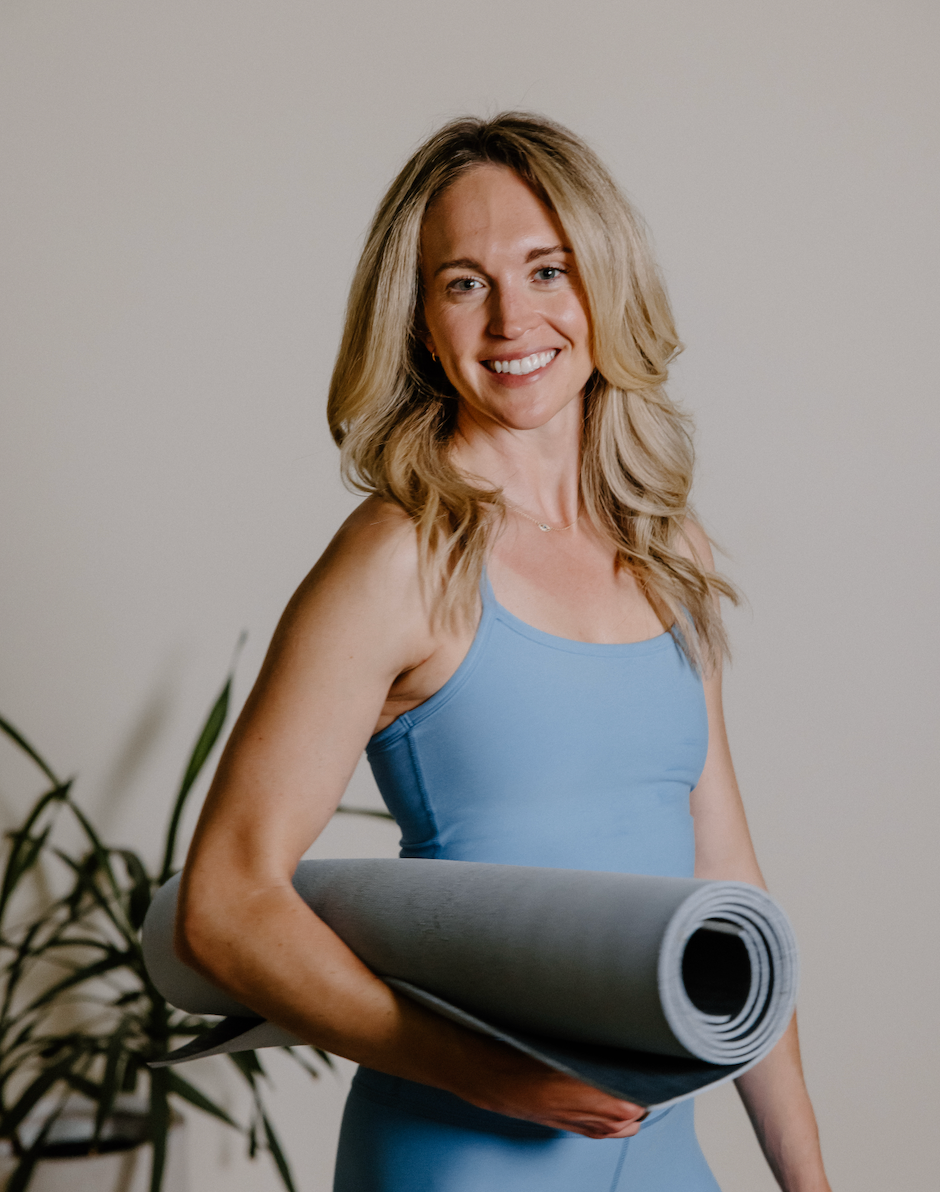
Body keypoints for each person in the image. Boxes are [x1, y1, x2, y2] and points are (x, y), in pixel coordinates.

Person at [176, 113, 832, 1191]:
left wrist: (807, 1181)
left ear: (603, 285)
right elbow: (224, 902)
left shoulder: (665, 543)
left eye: (546, 269)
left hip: (662, 1153)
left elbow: (727, 877)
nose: (512, 319)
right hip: (465, 1147)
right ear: (421, 320)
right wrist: (484, 1074)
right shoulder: (399, 558)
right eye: (463, 283)